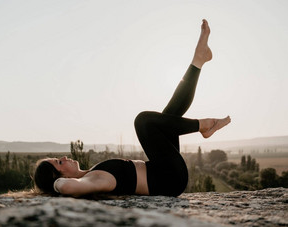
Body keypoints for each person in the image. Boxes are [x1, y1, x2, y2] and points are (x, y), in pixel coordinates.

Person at [33, 19, 231, 197]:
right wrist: (57, 184)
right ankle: (203, 125)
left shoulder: (91, 173)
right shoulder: (91, 181)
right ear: (61, 176)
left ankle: (199, 60)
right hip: (169, 179)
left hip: (164, 170)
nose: (64, 157)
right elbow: (69, 188)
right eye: (59, 163)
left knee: (168, 117)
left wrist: (60, 179)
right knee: (144, 121)